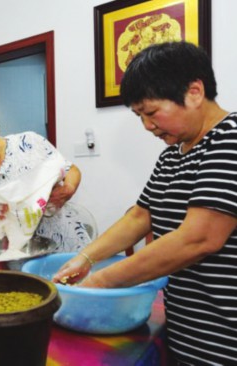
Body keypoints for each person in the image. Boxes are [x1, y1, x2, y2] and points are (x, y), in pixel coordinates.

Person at [52, 41, 237, 365]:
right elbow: (140, 216)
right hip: (185, 334)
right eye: (139, 116)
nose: (147, 126)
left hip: (225, 340)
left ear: (195, 92)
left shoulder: (230, 140)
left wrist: (99, 282)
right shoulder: (171, 156)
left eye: (151, 113)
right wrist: (85, 258)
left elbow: (199, 238)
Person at [0, 111, 89, 251]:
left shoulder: (29, 143)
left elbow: (70, 170)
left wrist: (69, 187)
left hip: (64, 240)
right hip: (21, 251)